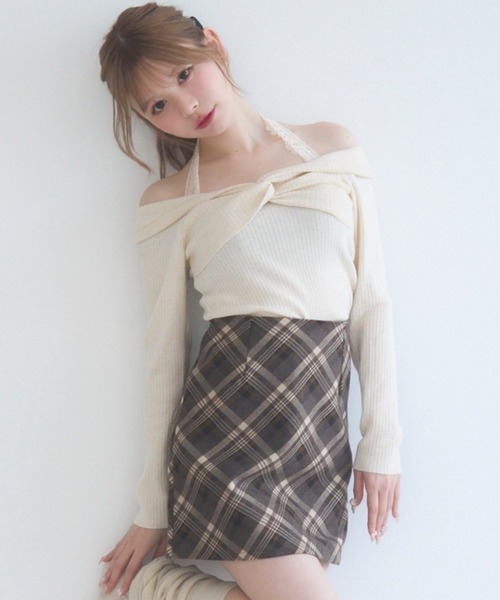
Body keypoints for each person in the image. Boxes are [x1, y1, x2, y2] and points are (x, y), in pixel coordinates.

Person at [97, 3, 402, 599]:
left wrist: (381, 442)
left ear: (212, 44)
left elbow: (372, 304)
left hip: (315, 431)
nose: (186, 106)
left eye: (184, 74)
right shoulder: (169, 202)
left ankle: (171, 590)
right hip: (224, 441)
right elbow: (165, 353)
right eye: (158, 105)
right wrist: (152, 506)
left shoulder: (331, 148)